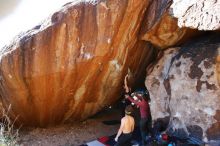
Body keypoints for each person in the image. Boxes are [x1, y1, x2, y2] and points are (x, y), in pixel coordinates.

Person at [124, 75, 150, 146]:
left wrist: (129, 97)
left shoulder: (142, 103)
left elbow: (134, 101)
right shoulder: (146, 102)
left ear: (143, 98)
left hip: (143, 119)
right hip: (147, 117)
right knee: (146, 128)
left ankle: (144, 142)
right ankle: (148, 136)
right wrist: (136, 95)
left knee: (142, 130)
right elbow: (140, 98)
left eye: (141, 96)